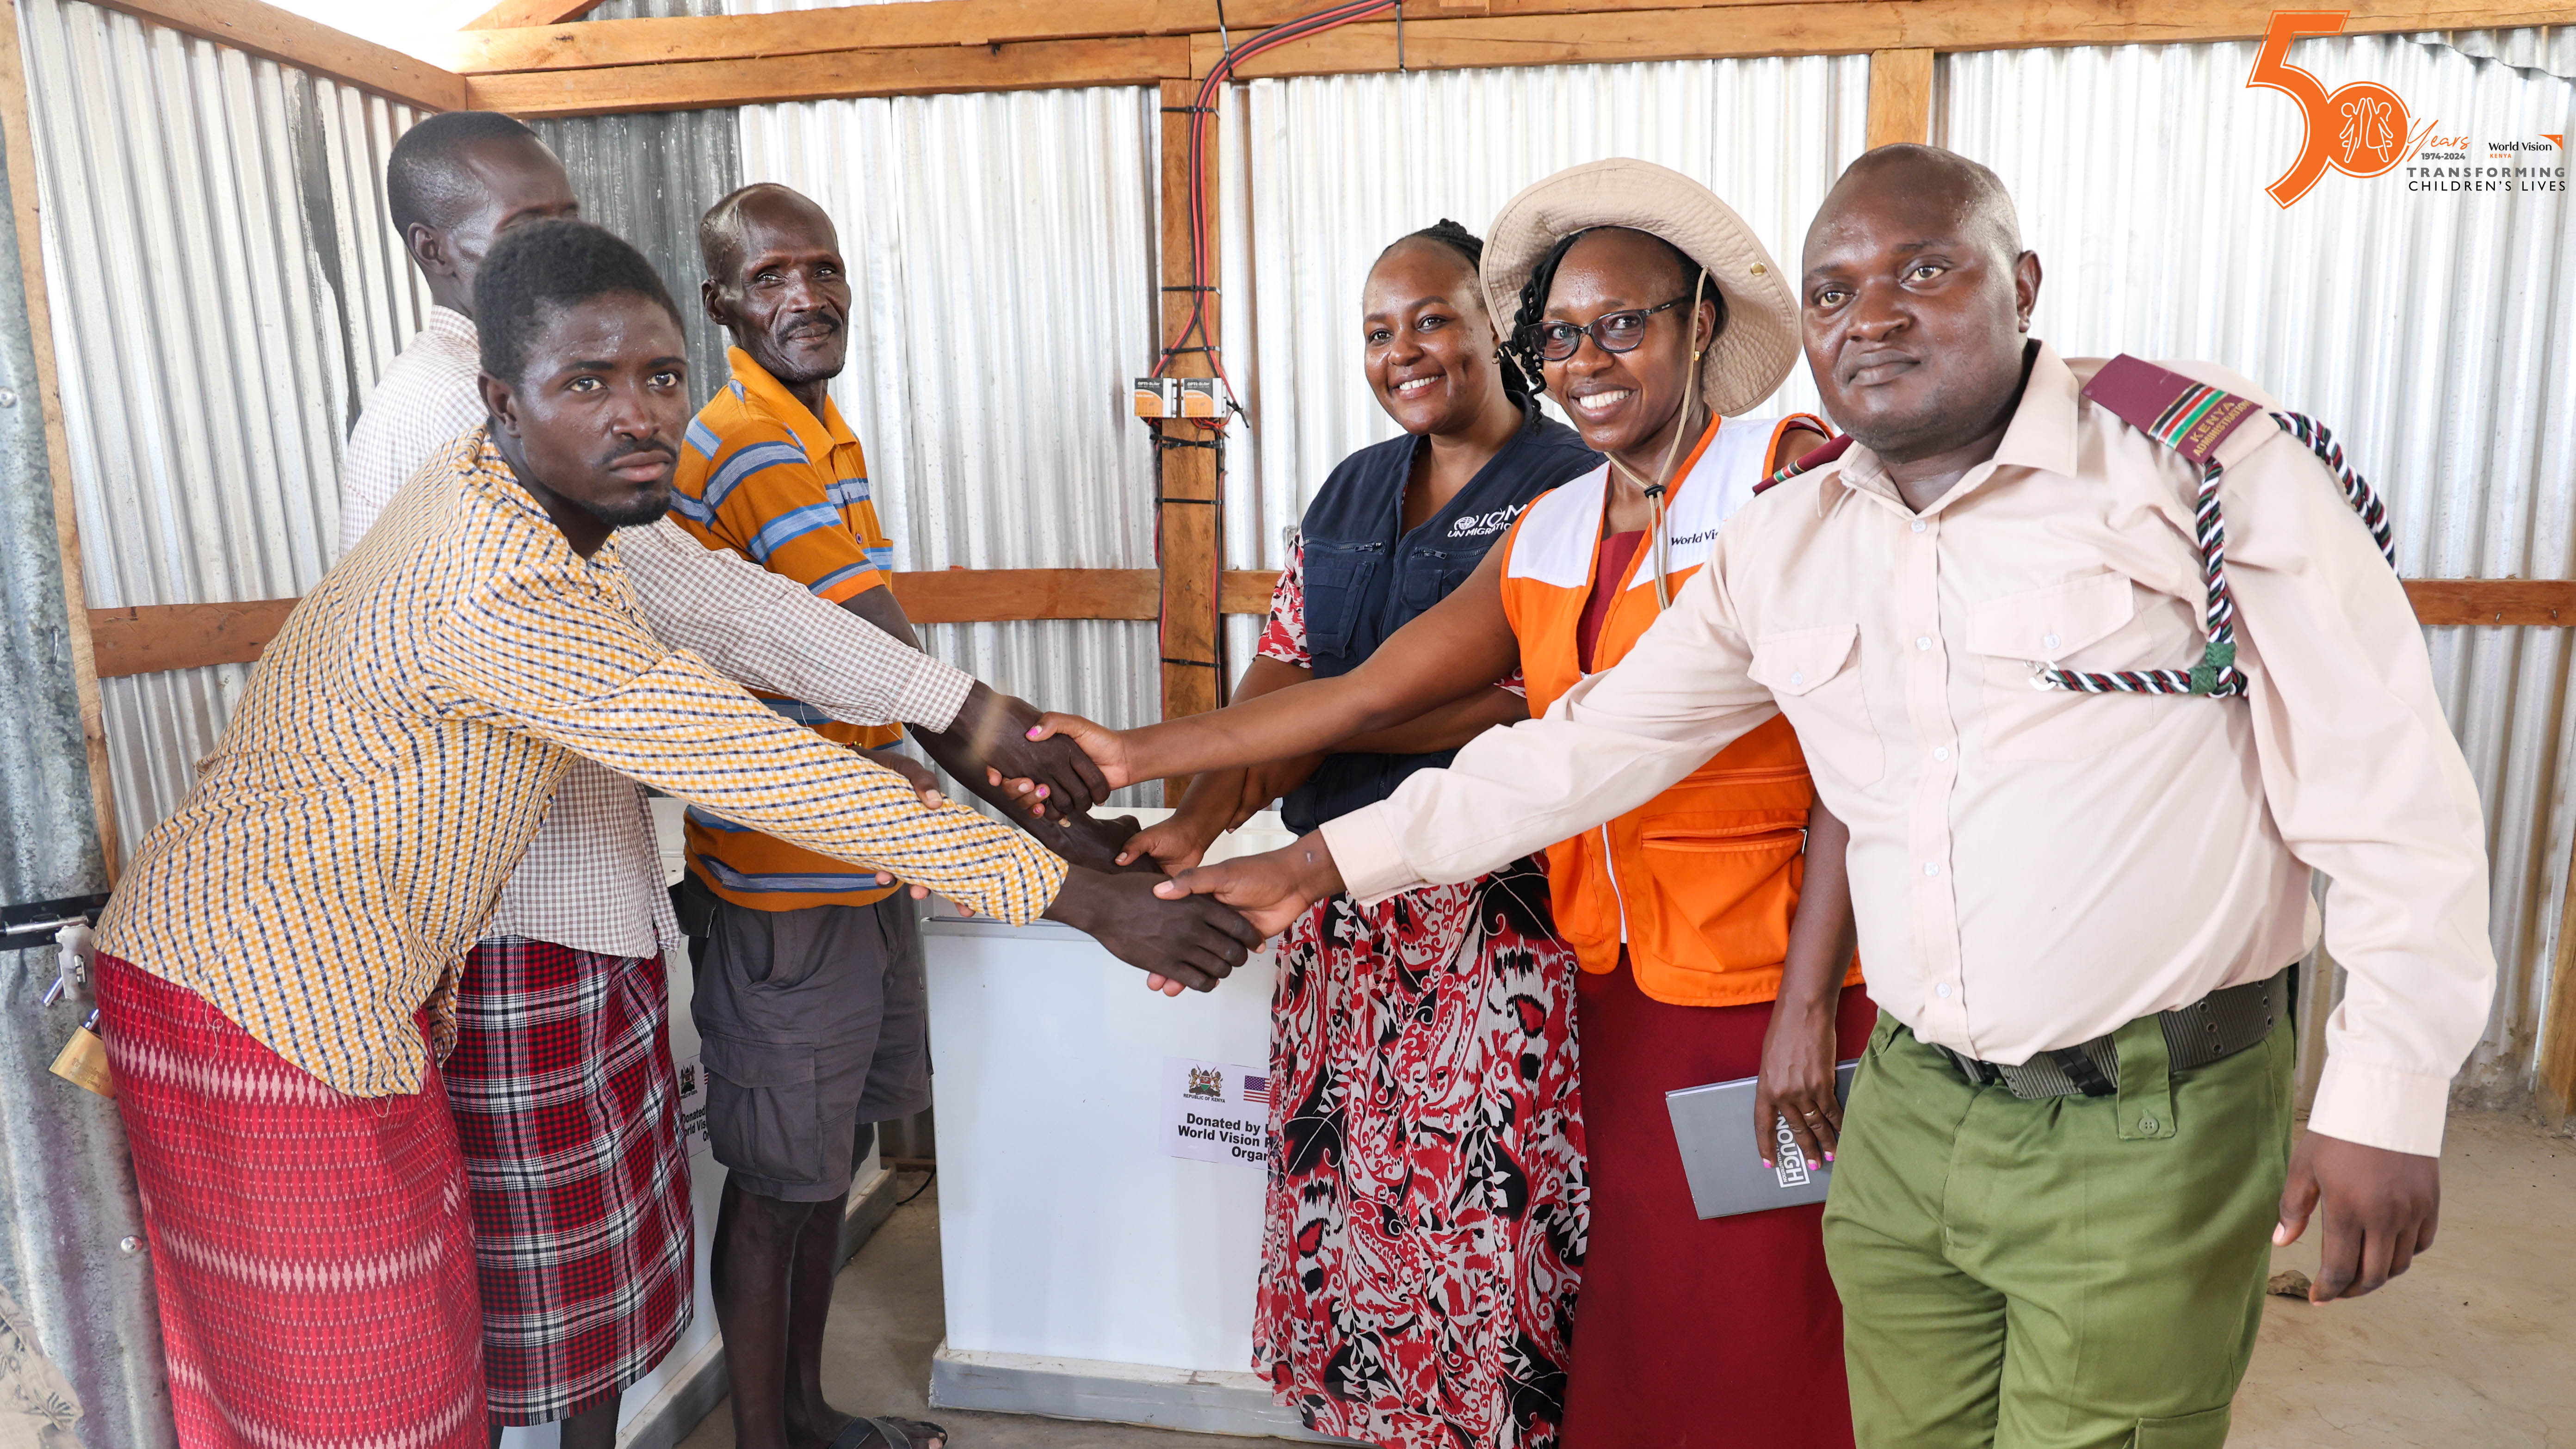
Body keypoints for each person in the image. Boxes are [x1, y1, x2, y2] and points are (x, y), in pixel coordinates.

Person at [1154, 144, 2497, 1448]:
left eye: (1925, 270)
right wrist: (1313, 866)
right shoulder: (1790, 540)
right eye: (1837, 290)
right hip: (1912, 1106)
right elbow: (1583, 746)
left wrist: (2380, 1097)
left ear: (2020, 283)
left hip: (2143, 1113)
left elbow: (2385, 787)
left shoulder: (2187, 464)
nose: (1875, 315)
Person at [87, 218, 1258, 1449]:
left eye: (657, 375)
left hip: (323, 992)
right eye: (586, 383)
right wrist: (1079, 900)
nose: (638, 413)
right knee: (363, 1396)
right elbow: (756, 760)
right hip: (254, 995)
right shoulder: (502, 578)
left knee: (380, 1369)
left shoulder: (565, 518)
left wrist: (971, 711)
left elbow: (748, 609)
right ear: (500, 402)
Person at [1039, 160, 1866, 1448]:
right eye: (1564, 334)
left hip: (1769, 986)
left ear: (1701, 319)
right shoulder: (1555, 523)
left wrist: (1809, 1009)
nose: (1588, 358)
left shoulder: (1787, 475)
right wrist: (1139, 753)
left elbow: (1843, 766)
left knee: (1774, 1312)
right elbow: (1354, 691)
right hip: (1619, 981)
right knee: (1648, 1315)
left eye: (1624, 323)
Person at [346, 113, 1116, 1449]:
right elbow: (716, 719)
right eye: (765, 282)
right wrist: (1049, 862)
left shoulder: (715, 436)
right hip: (530, 918)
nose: (637, 408)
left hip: (612, 901)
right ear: (434, 255)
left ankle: (794, 1416)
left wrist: (979, 735)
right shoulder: (452, 423)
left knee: (617, 1270)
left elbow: (714, 600)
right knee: (569, 1292)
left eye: (652, 376)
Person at [1114, 220, 1598, 1448]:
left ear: (1498, 327)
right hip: (1333, 920)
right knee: (1357, 1204)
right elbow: (1283, 671)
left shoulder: (1569, 484)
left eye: (1432, 317)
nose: (1404, 351)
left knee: (1481, 1219)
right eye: (1378, 331)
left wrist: (1294, 745)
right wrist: (1197, 821)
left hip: (1488, 919)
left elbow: (1498, 697)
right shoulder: (1346, 490)